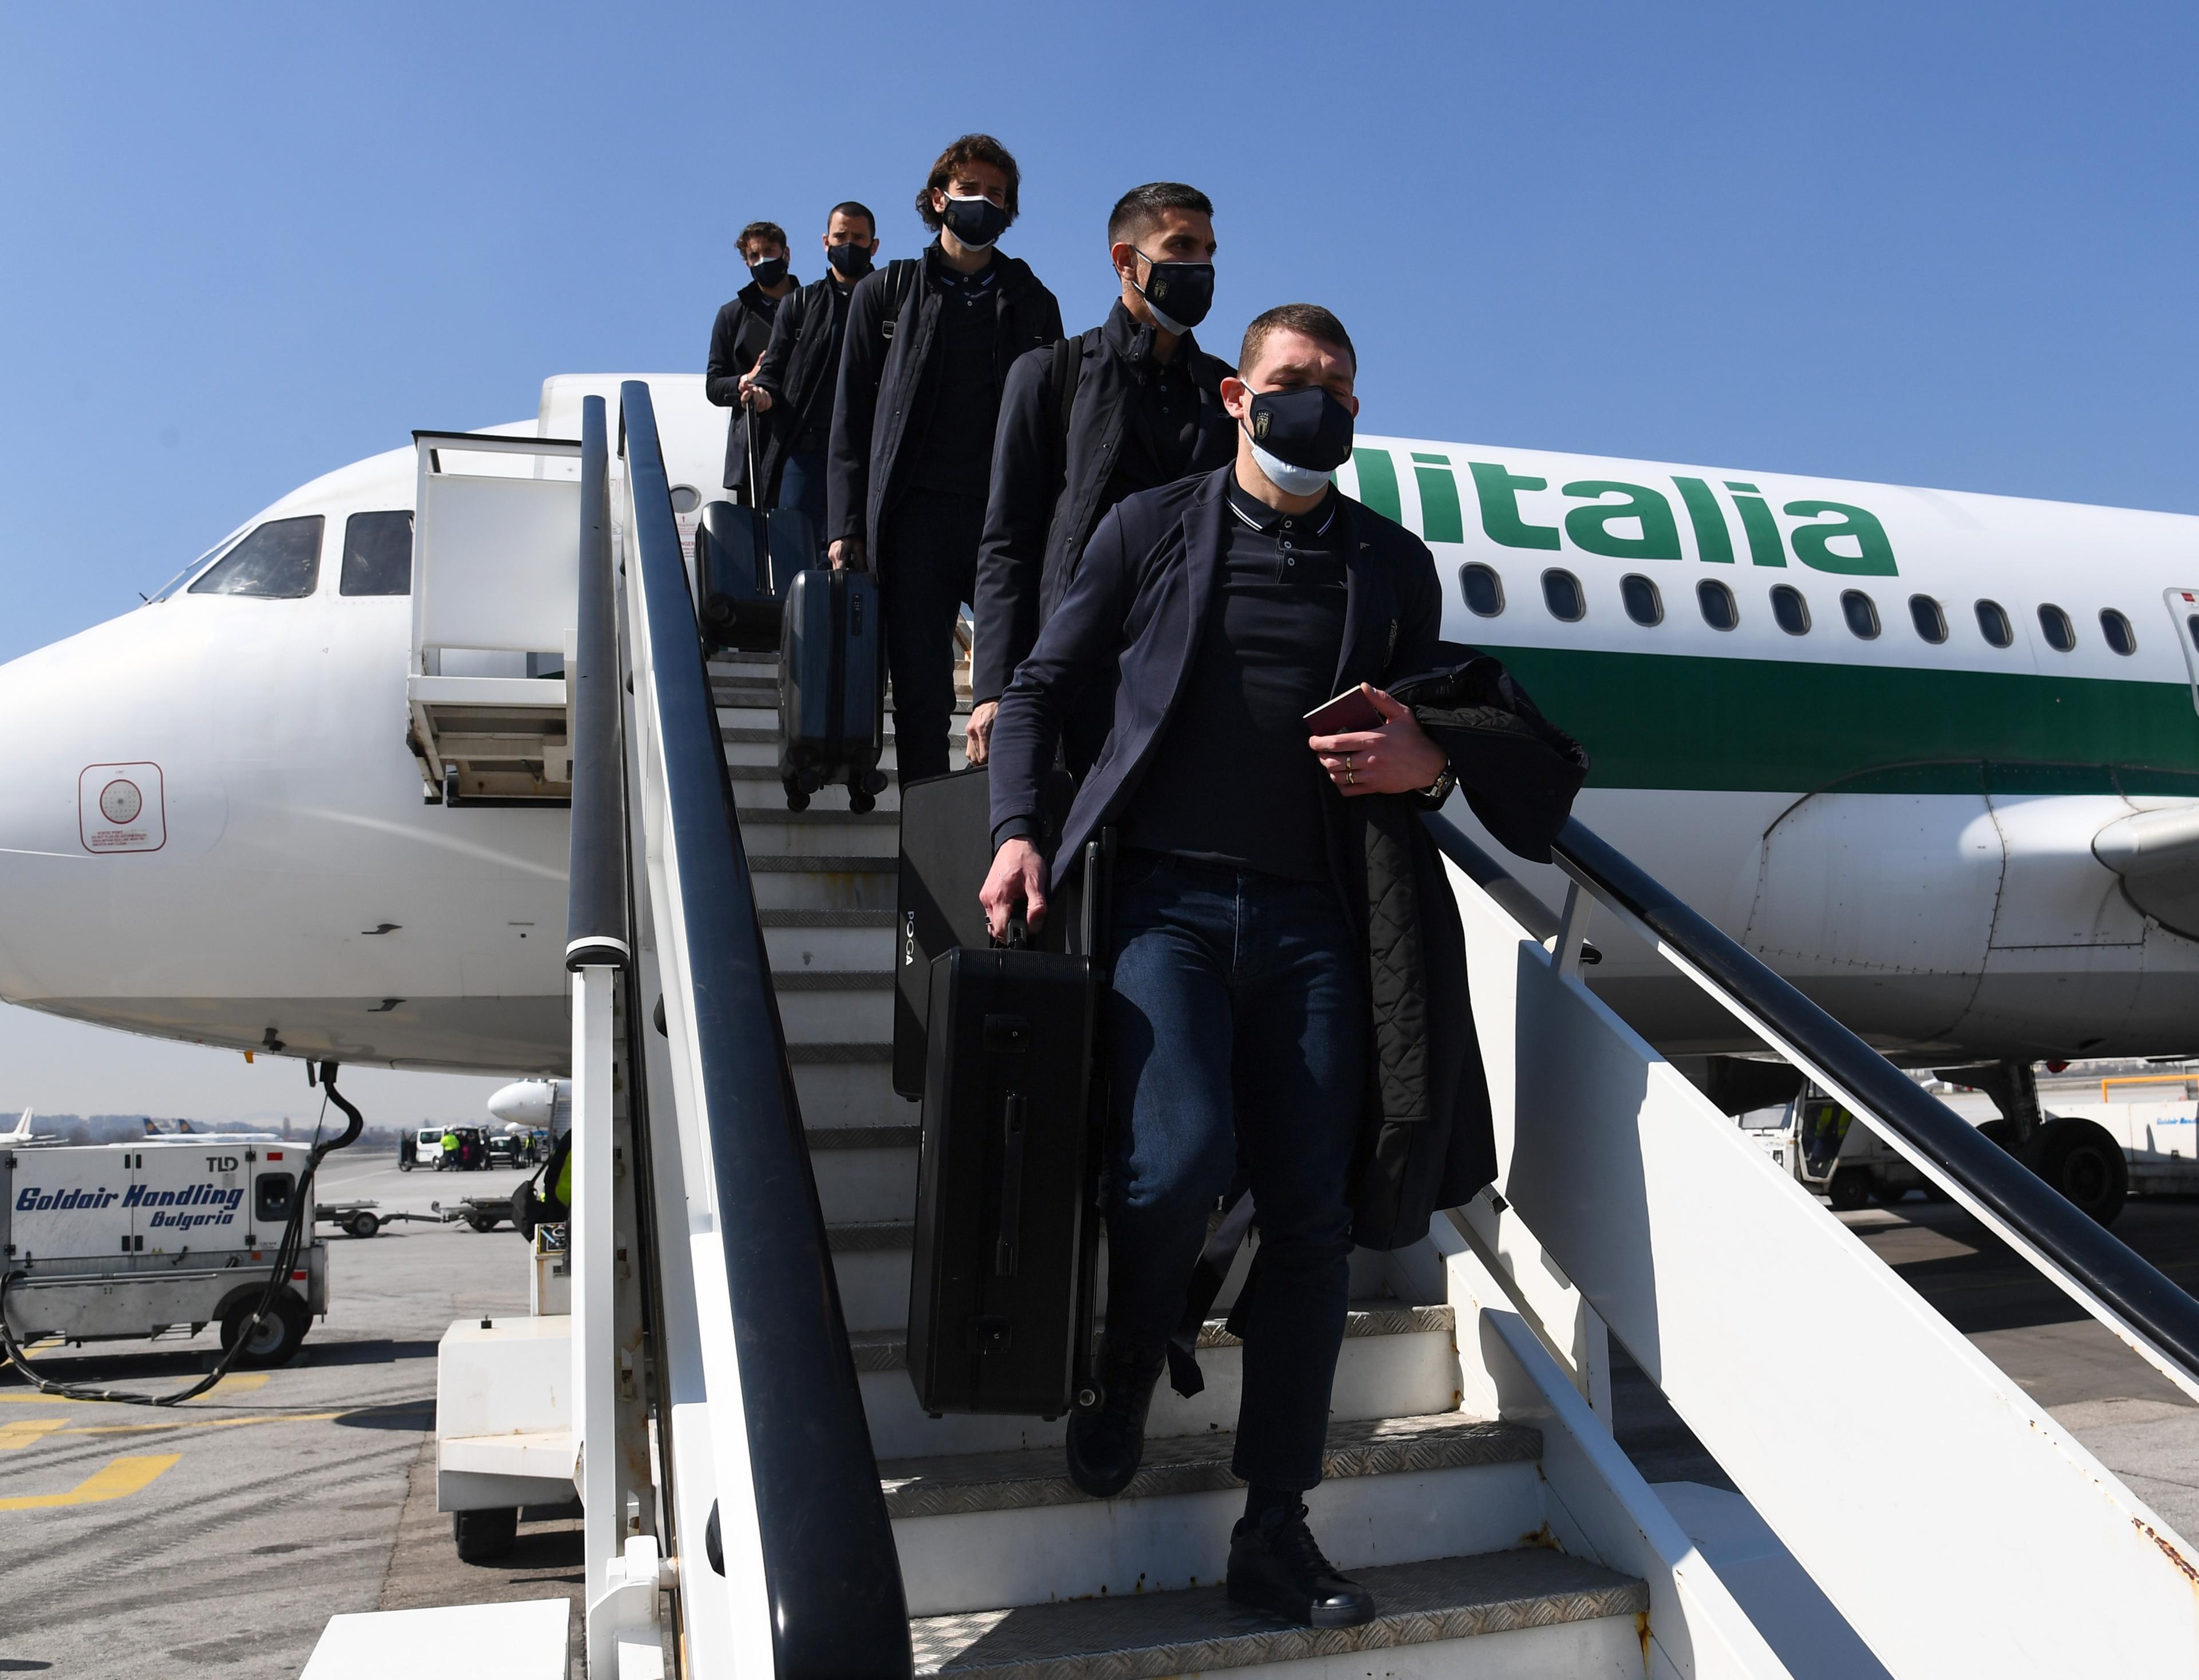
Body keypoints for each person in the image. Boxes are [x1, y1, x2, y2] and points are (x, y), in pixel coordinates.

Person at [980, 304, 1583, 1628]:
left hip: (1320, 922)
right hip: (1167, 909)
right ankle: (1130, 1352)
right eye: (1293, 381)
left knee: (1314, 1219)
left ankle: (1275, 1525)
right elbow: (1039, 689)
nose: (1318, 404)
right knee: (1175, 1159)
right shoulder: (1148, 528)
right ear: (1236, 395)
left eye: (1339, 389)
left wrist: (1432, 761)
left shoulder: (1389, 565)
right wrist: (1018, 827)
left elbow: (1430, 713)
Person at [967, 183, 1236, 767]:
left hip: (1193, 681)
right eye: (1182, 246)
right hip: (1078, 680)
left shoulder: (1228, 396)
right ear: (1125, 261)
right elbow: (1008, 542)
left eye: (1209, 251)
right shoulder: (1050, 375)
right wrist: (994, 688)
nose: (1202, 265)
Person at [827, 135, 1062, 784]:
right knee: (922, 698)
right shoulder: (886, 292)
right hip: (915, 523)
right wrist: (846, 526)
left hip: (1004, 524)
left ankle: (1009, 818)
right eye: (970, 189)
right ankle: (926, 827)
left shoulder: (1034, 302)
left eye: (997, 194)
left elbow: (1056, 421)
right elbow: (851, 418)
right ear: (938, 199)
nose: (984, 202)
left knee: (1013, 689)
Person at [747, 203, 881, 531]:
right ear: (826, 242)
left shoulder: (894, 302)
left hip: (871, 452)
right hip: (808, 452)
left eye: (858, 238)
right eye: (841, 236)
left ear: (874, 246)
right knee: (796, 544)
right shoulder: (800, 304)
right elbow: (775, 367)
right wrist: (762, 391)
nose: (848, 244)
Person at [706, 220, 799, 503]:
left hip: (803, 443)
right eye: (754, 255)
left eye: (769, 251)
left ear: (786, 254)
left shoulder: (812, 306)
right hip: (753, 448)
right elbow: (714, 385)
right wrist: (747, 379)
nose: (762, 261)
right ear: (747, 262)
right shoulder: (732, 315)